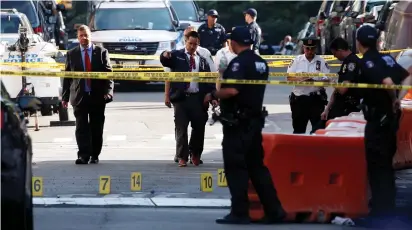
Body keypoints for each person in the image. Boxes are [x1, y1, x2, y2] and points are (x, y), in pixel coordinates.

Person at [204, 26, 286, 225]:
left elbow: (232, 90)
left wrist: (212, 95)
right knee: (257, 168)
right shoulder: (260, 63)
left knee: (236, 168)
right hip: (254, 122)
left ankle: (240, 212)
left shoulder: (239, 63)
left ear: (234, 42)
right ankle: (275, 211)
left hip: (238, 124)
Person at [353, 25, 411, 227]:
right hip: (389, 120)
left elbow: (387, 82)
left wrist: (394, 97)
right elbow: (406, 75)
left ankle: (379, 213)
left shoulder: (368, 61)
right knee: (385, 166)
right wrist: (398, 99)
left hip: (378, 121)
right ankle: (387, 209)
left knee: (377, 167)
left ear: (359, 42)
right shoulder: (386, 58)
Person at [160, 31, 216, 167]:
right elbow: (164, 61)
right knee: (181, 128)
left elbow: (209, 80)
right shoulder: (177, 55)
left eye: (195, 44)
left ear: (198, 44)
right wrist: (164, 55)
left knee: (199, 128)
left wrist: (211, 96)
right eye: (190, 43)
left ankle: (195, 154)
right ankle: (182, 157)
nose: (192, 46)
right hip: (181, 98)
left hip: (198, 99)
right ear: (186, 42)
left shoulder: (202, 60)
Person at [62, 25, 114, 165]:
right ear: (77, 37)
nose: (83, 38)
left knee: (96, 127)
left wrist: (108, 92)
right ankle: (83, 155)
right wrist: (65, 97)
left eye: (86, 35)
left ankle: (95, 154)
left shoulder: (102, 52)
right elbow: (67, 77)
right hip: (79, 97)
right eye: (81, 36)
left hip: (97, 96)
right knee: (81, 127)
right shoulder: (72, 54)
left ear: (90, 35)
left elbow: (109, 74)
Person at [287, 37, 331, 134]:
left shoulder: (322, 62)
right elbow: (289, 78)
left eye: (312, 49)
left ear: (315, 49)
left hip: (316, 100)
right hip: (299, 100)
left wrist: (313, 81)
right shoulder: (296, 61)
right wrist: (301, 79)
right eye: (307, 48)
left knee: (318, 131)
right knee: (298, 131)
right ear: (303, 48)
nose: (310, 51)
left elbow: (327, 80)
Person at [316, 37, 362, 130]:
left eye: (334, 53)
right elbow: (337, 90)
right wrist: (327, 109)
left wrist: (331, 82)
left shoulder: (352, 63)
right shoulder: (346, 62)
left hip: (346, 109)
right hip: (338, 106)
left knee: (321, 132)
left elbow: (342, 90)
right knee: (318, 130)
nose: (334, 56)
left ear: (340, 50)